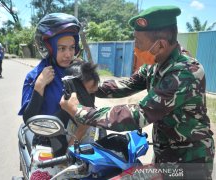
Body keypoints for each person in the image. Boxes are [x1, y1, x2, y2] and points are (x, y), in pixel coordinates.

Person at [60, 5, 215, 179]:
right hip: (166, 155)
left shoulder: (185, 73)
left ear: (161, 45)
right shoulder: (156, 66)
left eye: (139, 43)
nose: (135, 48)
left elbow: (138, 115)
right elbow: (127, 84)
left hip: (190, 163)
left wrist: (80, 112)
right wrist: (93, 86)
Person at [19, 13, 104, 157]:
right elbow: (29, 119)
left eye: (72, 48)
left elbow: (90, 105)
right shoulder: (35, 77)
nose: (68, 54)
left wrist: (74, 140)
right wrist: (39, 86)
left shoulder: (79, 71)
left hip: (81, 138)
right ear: (49, 48)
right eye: (62, 48)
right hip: (47, 143)